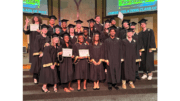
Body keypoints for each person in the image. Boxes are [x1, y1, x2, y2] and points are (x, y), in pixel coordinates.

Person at [104, 25, 123, 90]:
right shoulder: (107, 41)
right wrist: (106, 59)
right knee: (109, 71)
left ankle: (114, 83)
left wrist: (121, 58)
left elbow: (121, 49)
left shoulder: (118, 40)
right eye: (111, 31)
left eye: (113, 31)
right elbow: (105, 50)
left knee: (116, 70)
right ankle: (109, 83)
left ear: (115, 32)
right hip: (109, 58)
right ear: (109, 33)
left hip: (117, 58)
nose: (112, 32)